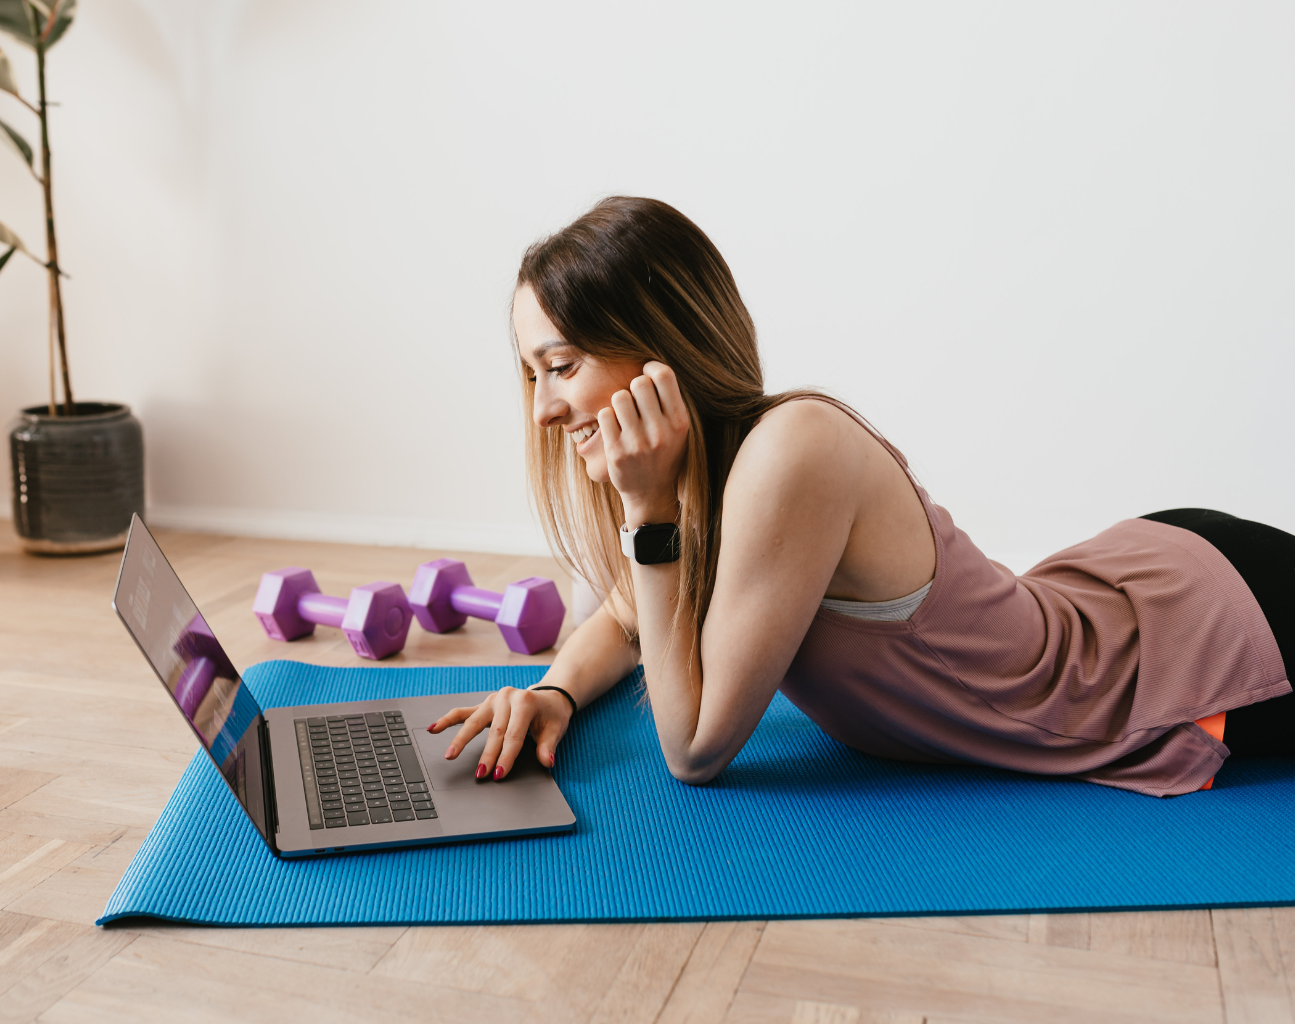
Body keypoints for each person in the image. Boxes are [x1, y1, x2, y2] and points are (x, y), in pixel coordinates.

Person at [427, 196, 1294, 797]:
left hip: (1195, 643)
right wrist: (554, 694)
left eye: (563, 367)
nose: (543, 409)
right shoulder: (720, 477)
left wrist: (646, 513)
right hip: (1126, 588)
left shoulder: (792, 450)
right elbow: (624, 619)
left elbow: (694, 750)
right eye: (532, 375)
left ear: (658, 347)